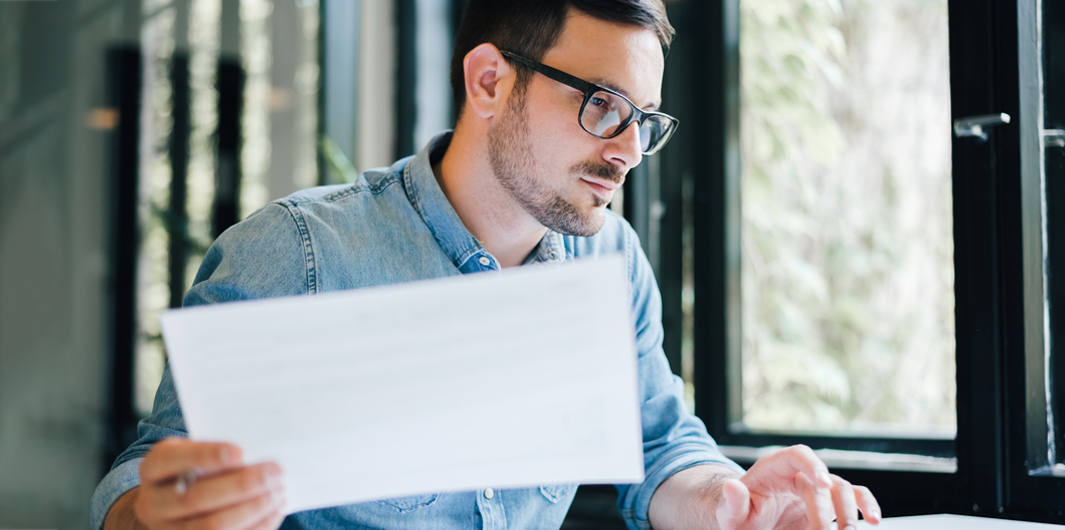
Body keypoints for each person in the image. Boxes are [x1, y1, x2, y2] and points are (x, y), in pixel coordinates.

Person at [91, 1, 882, 529]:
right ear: (489, 81)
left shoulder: (608, 258)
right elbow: (144, 485)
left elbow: (657, 445)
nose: (628, 150)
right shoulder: (298, 254)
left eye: (643, 120)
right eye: (602, 104)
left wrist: (733, 502)